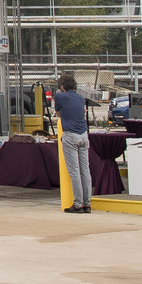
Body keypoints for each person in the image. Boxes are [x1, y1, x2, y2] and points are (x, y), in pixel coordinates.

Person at [54, 74, 91, 214]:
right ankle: (87, 203)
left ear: (62, 87)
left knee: (74, 171)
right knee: (85, 170)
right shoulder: (81, 98)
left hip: (70, 134)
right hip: (83, 134)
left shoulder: (60, 97)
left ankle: (77, 204)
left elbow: (58, 112)